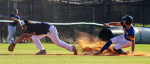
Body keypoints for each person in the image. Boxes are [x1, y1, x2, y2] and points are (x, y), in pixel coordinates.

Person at [8, 20, 77, 55]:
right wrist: (26, 39)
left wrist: (14, 43)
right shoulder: (32, 27)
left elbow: (23, 35)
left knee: (58, 43)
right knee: (34, 37)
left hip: (50, 30)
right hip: (46, 31)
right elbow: (32, 35)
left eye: (23, 26)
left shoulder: (31, 27)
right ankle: (43, 51)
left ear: (26, 25)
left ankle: (72, 48)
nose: (23, 28)